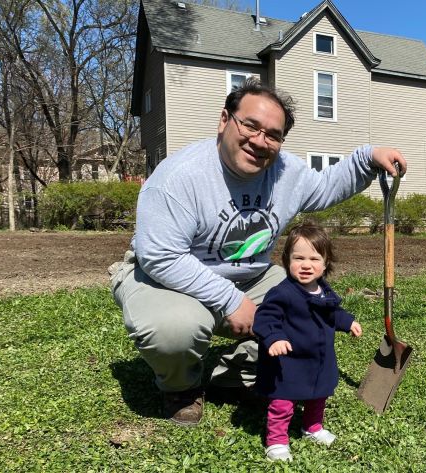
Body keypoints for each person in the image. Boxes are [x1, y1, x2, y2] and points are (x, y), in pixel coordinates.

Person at [110, 78, 405, 426]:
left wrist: (368, 158)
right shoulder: (179, 176)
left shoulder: (284, 172)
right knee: (174, 328)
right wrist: (230, 300)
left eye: (273, 135)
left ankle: (235, 376)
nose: (259, 141)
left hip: (248, 277)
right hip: (163, 277)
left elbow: (324, 187)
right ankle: (181, 387)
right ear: (224, 121)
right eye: (250, 125)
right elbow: (161, 256)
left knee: (303, 305)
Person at [253, 222, 362, 462]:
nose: (306, 265)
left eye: (314, 259)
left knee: (318, 395)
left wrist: (348, 322)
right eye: (298, 258)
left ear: (325, 264)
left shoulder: (323, 290)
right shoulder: (283, 293)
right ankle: (277, 440)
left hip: (319, 359)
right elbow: (265, 317)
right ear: (287, 260)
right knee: (282, 402)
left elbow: (332, 313)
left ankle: (312, 426)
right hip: (288, 361)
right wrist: (274, 337)